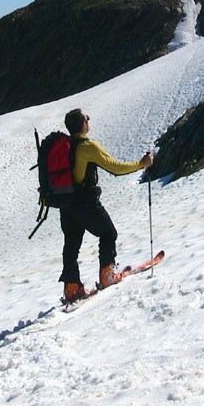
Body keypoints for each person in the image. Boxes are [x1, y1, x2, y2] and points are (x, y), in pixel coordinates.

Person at [59, 108, 153, 302]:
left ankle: (71, 288)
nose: (89, 120)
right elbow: (115, 167)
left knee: (71, 245)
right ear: (83, 124)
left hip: (66, 203)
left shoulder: (64, 146)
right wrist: (141, 164)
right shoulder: (87, 146)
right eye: (87, 118)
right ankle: (107, 275)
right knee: (108, 233)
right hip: (85, 201)